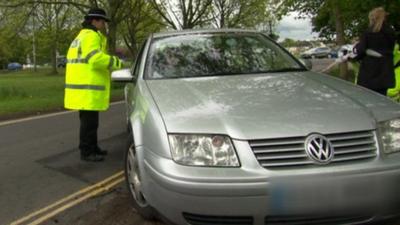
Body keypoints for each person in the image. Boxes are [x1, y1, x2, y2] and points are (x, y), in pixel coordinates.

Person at [64, 8, 122, 162]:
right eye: (102, 21)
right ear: (94, 20)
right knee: (89, 124)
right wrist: (116, 62)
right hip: (87, 88)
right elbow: (95, 59)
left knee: (90, 122)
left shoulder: (81, 36)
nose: (104, 24)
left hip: (82, 88)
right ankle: (87, 152)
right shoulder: (91, 36)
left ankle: (92, 147)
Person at [353, 7, 396, 95]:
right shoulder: (390, 32)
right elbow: (390, 48)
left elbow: (361, 51)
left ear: (372, 18)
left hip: (370, 74)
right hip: (385, 72)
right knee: (382, 99)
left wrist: (356, 50)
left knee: (369, 99)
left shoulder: (368, 33)